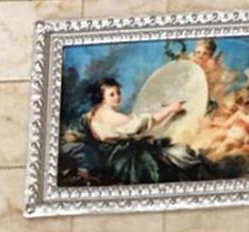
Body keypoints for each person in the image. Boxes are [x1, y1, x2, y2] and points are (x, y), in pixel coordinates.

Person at [59, 77, 204, 185]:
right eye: (112, 94)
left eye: (118, 92)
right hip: (120, 158)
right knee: (174, 157)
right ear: (102, 98)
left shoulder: (96, 112)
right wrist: (171, 109)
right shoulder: (111, 116)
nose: (117, 97)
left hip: (112, 154)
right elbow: (148, 122)